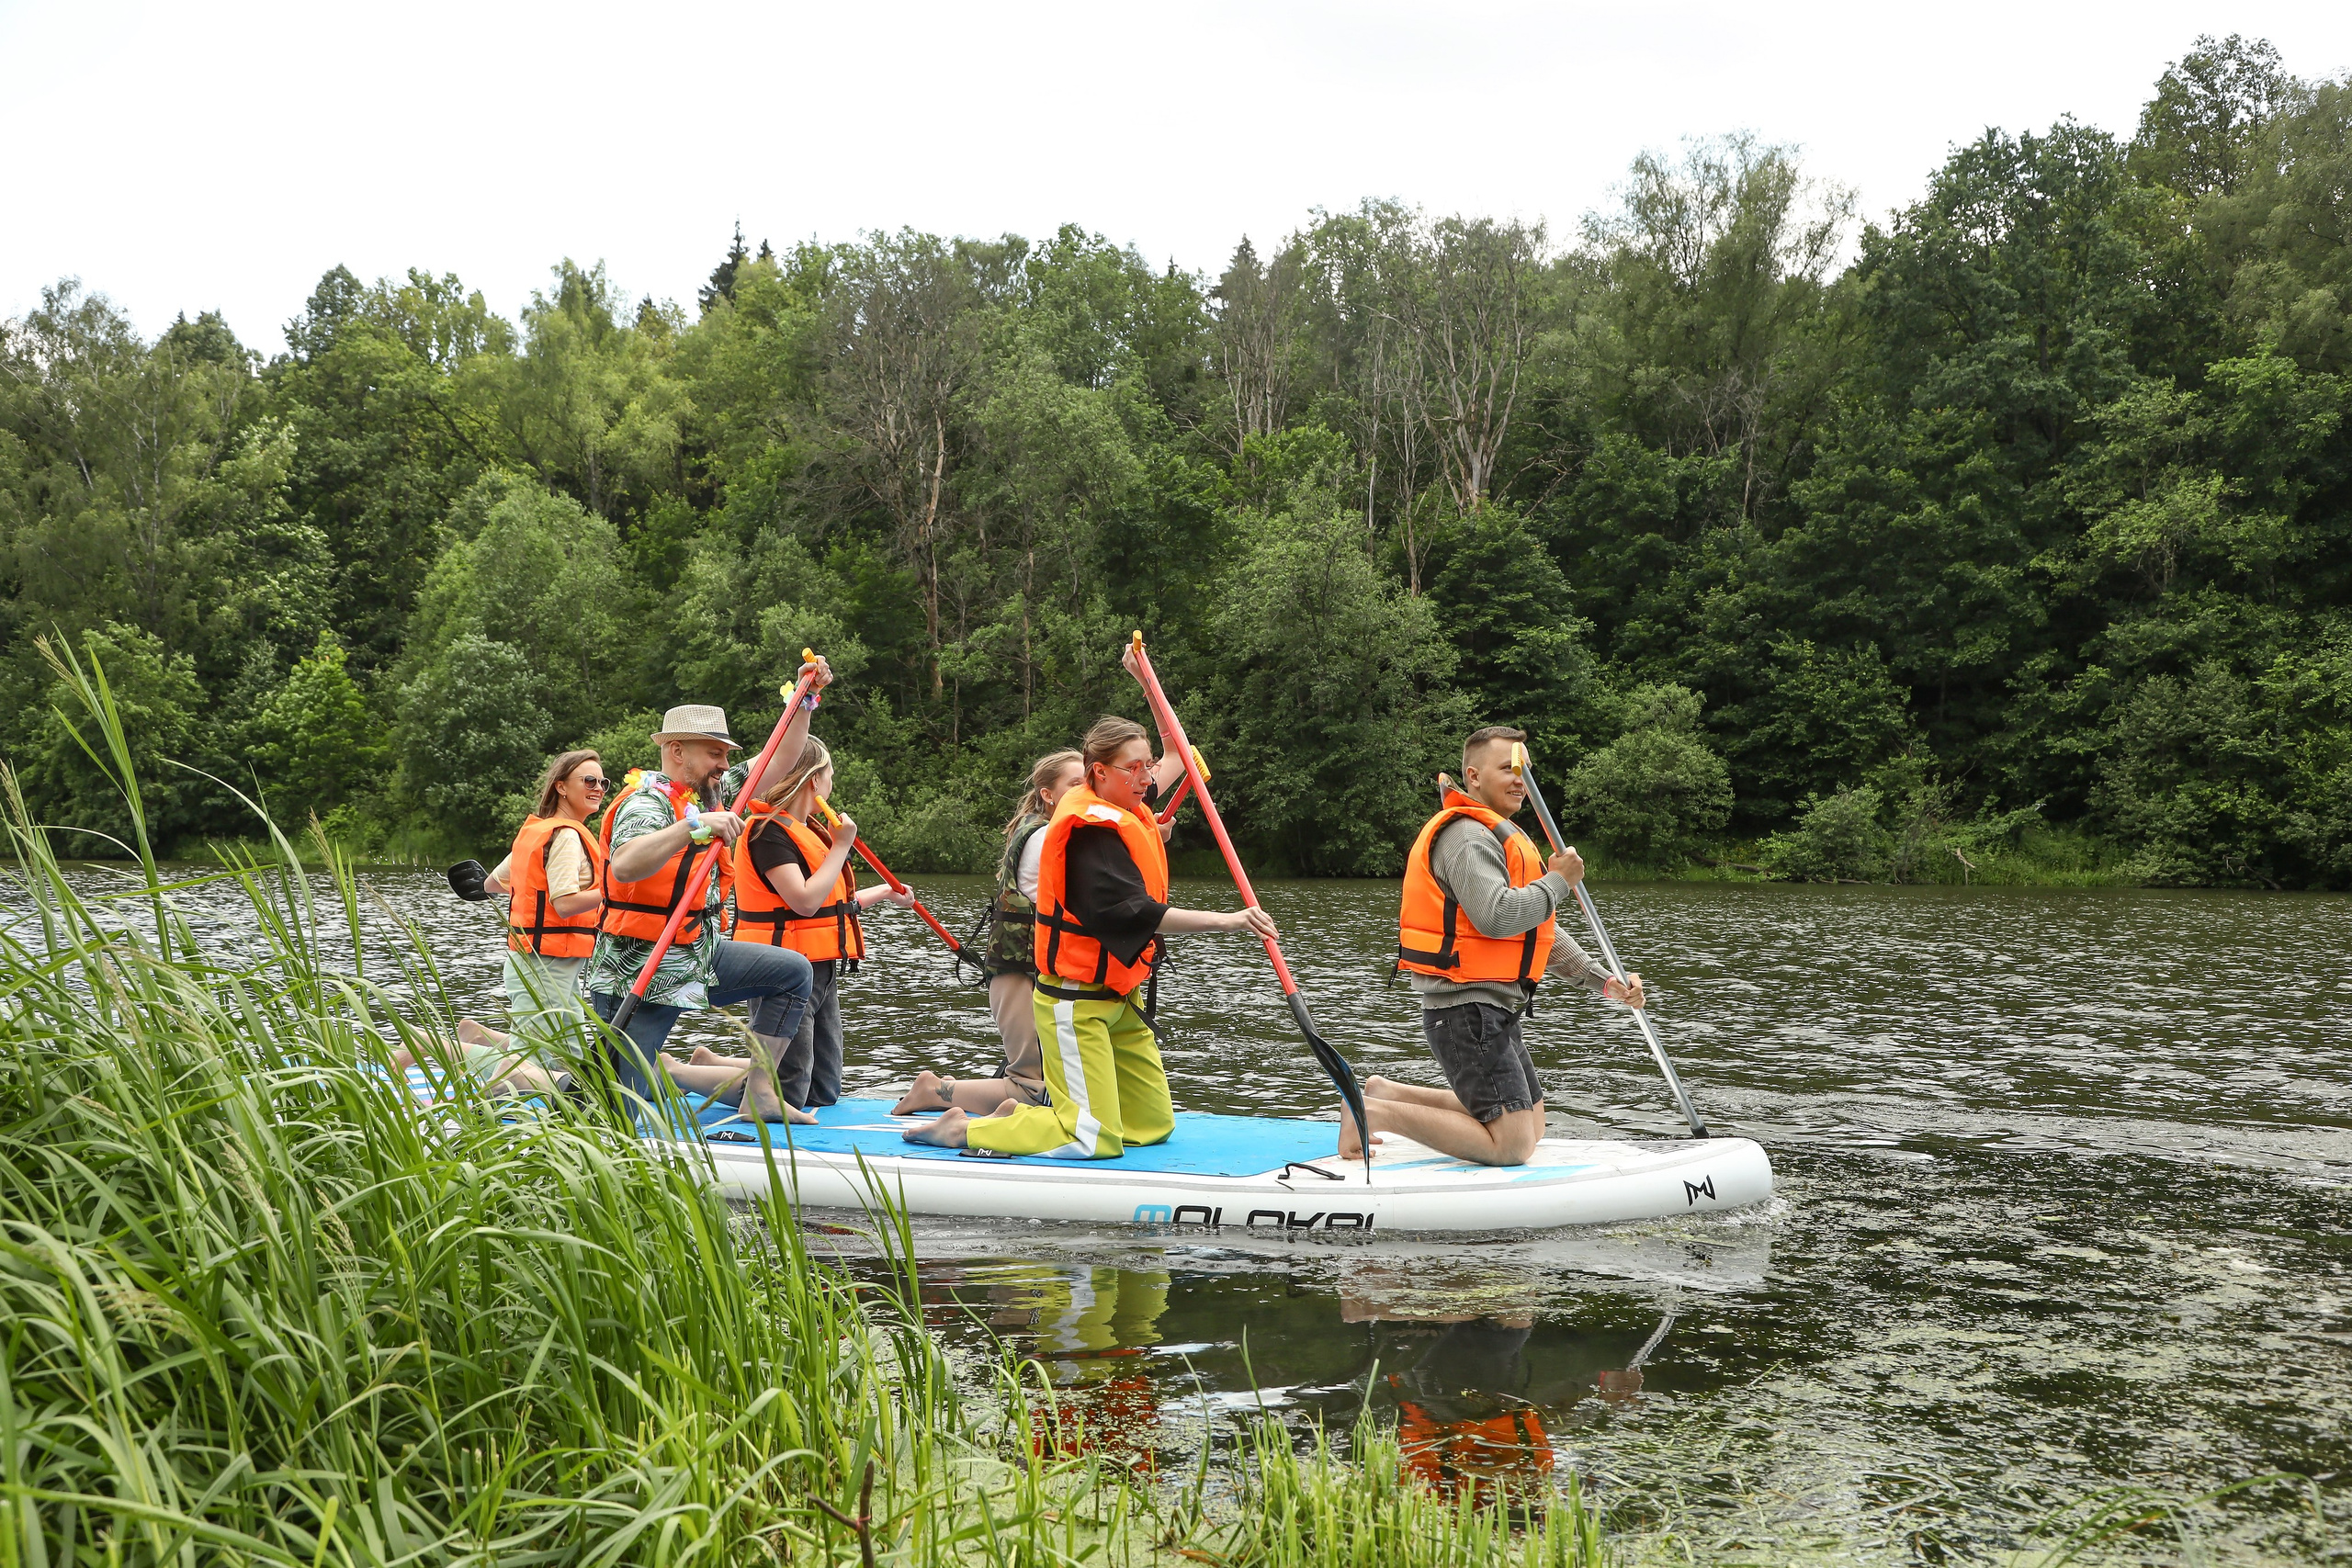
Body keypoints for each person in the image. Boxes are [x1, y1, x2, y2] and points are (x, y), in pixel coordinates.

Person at [907, 652, 1275, 1155]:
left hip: (1122, 993)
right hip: (1074, 997)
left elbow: (1178, 751)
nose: (1147, 777)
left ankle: (1039, 1115)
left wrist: (1147, 682)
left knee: (1151, 1126)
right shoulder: (1083, 835)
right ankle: (964, 1128)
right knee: (1092, 1138)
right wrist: (1231, 921)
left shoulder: (1128, 805)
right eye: (1135, 769)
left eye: (1148, 767)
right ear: (1097, 774)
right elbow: (1136, 912)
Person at [1363, 725, 1645, 1168]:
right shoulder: (1468, 838)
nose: (1521, 780)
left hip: (1493, 1007)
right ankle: (1373, 1113)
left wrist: (1602, 980)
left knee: (1531, 1125)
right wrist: (1559, 882)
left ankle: (1389, 1093)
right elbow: (1498, 919)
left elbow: (1535, 933)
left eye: (1525, 770)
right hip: (1465, 1010)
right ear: (1473, 777)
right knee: (1512, 1146)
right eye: (1509, 769)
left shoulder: (1499, 838)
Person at [582, 659, 831, 1121]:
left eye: (726, 753)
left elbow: (780, 758)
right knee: (618, 1107)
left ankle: (760, 1094)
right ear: (677, 750)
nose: (725, 763)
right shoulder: (647, 801)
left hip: (699, 950)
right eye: (714, 753)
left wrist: (805, 698)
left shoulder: (711, 794)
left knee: (793, 973)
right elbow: (627, 864)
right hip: (640, 965)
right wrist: (693, 829)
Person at [891, 749, 1083, 1116]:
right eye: (1074, 784)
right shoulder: (1045, 838)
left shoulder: (1056, 832)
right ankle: (935, 1090)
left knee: (1053, 1079)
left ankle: (942, 1091)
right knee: (1030, 1086)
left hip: (1033, 974)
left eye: (1087, 784)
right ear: (1048, 794)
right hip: (1017, 977)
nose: (1084, 792)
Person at [731, 736, 916, 1111]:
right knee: (790, 1087)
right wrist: (842, 846)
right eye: (830, 774)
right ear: (815, 781)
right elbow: (803, 902)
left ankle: (713, 1066)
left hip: (821, 968)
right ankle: (683, 1072)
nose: (833, 783)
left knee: (823, 1089)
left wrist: (883, 892)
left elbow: (830, 907)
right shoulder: (768, 831)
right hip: (782, 969)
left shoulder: (811, 830)